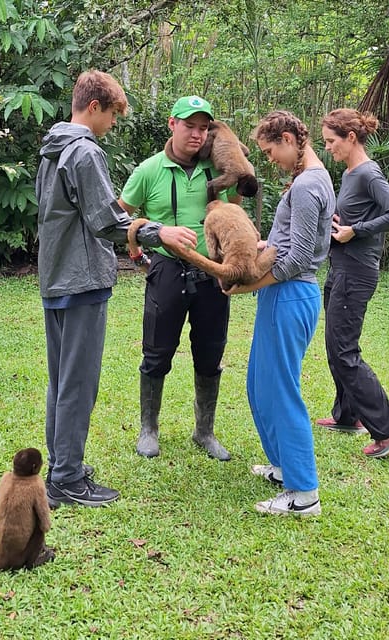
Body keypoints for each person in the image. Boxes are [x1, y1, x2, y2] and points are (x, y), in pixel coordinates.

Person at [35, 71, 197, 507]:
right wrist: (157, 233)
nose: (111, 125)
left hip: (55, 278)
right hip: (81, 280)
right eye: (111, 116)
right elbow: (106, 221)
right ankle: (67, 479)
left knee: (61, 381)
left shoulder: (52, 148)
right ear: (94, 107)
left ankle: (62, 467)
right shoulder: (84, 152)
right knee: (78, 384)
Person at [118, 95, 241, 461]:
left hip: (212, 275)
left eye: (204, 128)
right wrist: (144, 236)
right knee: (156, 354)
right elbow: (116, 219)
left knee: (210, 354)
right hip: (168, 271)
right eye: (190, 126)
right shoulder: (149, 170)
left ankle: (204, 431)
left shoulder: (216, 170)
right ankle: (148, 428)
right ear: (172, 124)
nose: (198, 135)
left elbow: (235, 214)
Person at [225, 111, 334, 516]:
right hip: (281, 295)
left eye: (271, 151)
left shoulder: (307, 185)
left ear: (288, 139)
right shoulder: (307, 182)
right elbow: (288, 241)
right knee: (259, 383)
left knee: (281, 391)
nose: (269, 160)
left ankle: (303, 494)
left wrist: (247, 284)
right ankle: (281, 466)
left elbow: (300, 256)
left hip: (290, 294)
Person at [317, 108, 389, 458]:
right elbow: (356, 215)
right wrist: (340, 222)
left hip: (356, 272)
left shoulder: (368, 174)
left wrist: (354, 231)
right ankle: (347, 416)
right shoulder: (350, 174)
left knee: (345, 350)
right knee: (335, 346)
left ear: (351, 138)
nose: (328, 147)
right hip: (341, 267)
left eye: (331, 141)